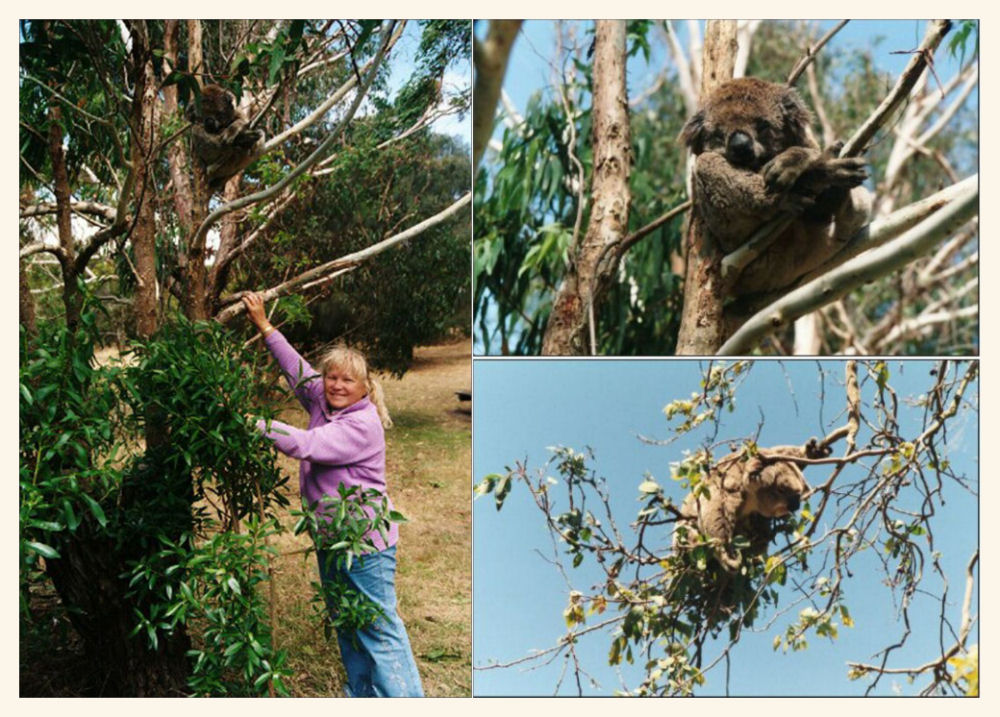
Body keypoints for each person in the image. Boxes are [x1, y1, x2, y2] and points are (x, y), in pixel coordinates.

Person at [242, 292, 423, 698]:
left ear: (365, 388)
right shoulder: (323, 399)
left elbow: (305, 444)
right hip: (332, 538)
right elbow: (295, 368)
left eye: (348, 380)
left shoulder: (362, 425)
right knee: (348, 623)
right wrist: (264, 325)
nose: (337, 385)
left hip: (364, 543)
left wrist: (250, 422)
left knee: (379, 629)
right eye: (332, 377)